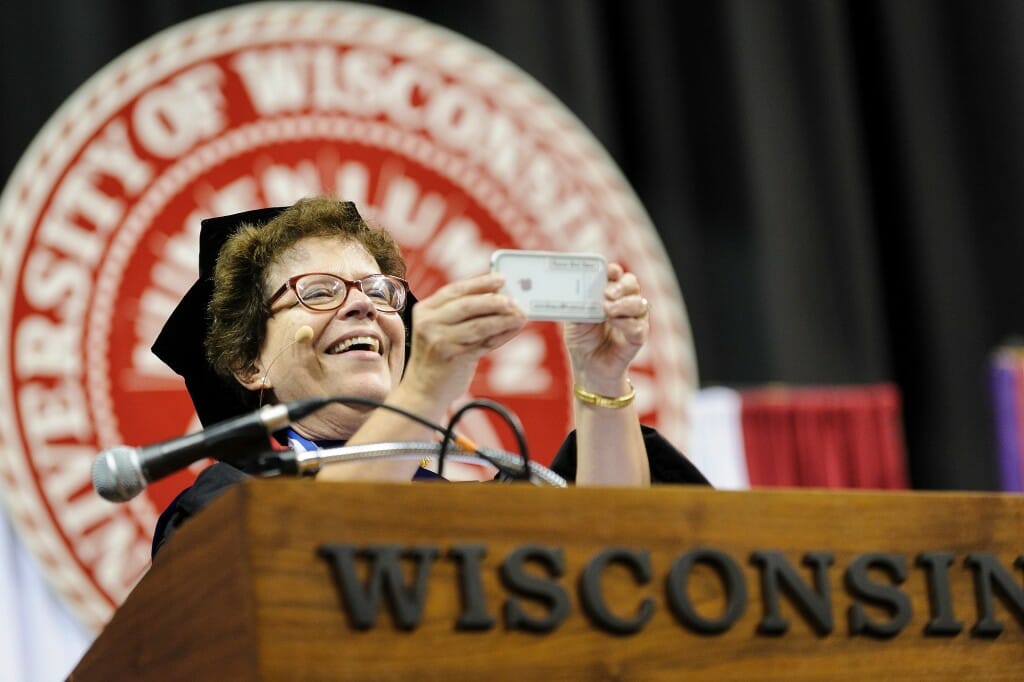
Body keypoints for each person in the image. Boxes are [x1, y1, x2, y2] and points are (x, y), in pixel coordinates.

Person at [150, 197, 707, 555]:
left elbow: (617, 553)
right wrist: (428, 381)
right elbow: (315, 559)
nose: (363, 307)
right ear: (251, 365)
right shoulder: (226, 510)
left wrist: (602, 373)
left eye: (378, 291)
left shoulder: (485, 508)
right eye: (318, 292)